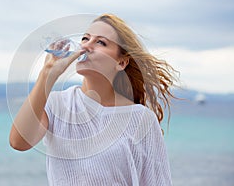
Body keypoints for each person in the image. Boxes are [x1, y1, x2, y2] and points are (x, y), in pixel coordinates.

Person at [9, 13, 178, 185]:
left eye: (100, 42)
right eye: (85, 38)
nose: (86, 46)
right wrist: (47, 74)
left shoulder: (142, 119)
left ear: (121, 62)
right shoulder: (57, 104)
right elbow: (19, 142)